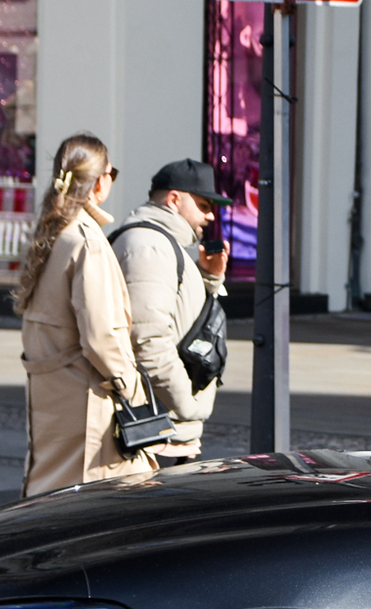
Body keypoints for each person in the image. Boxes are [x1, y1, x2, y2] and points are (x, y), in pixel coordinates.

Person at [13, 134, 152, 494]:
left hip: (53, 398)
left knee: (49, 491)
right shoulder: (86, 241)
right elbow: (102, 336)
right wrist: (133, 389)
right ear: (100, 180)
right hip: (86, 401)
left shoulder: (54, 231)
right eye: (112, 173)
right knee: (96, 506)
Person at [110, 157, 230, 466]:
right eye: (204, 205)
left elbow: (180, 317)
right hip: (158, 429)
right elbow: (148, 340)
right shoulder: (150, 246)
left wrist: (208, 277)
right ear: (174, 199)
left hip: (169, 427)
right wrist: (186, 405)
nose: (210, 216)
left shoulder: (163, 244)